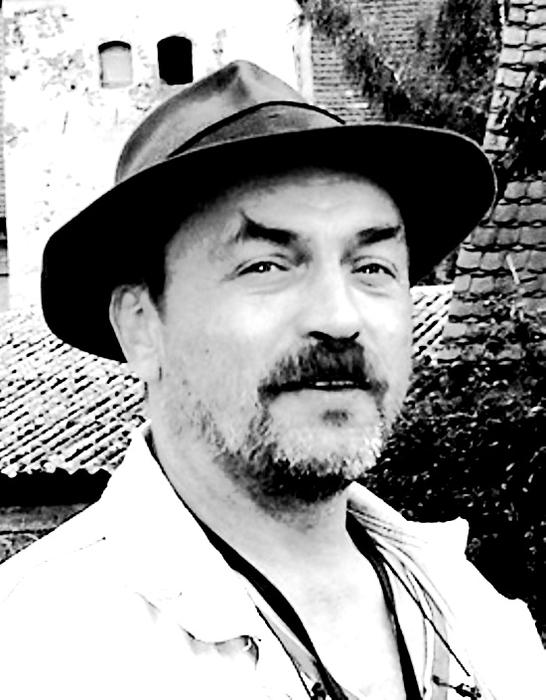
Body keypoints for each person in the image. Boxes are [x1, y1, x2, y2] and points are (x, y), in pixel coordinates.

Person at [0, 61, 543, 700]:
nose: (339, 318)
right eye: (266, 265)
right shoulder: (37, 654)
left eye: (372, 267)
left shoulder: (481, 623)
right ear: (142, 326)